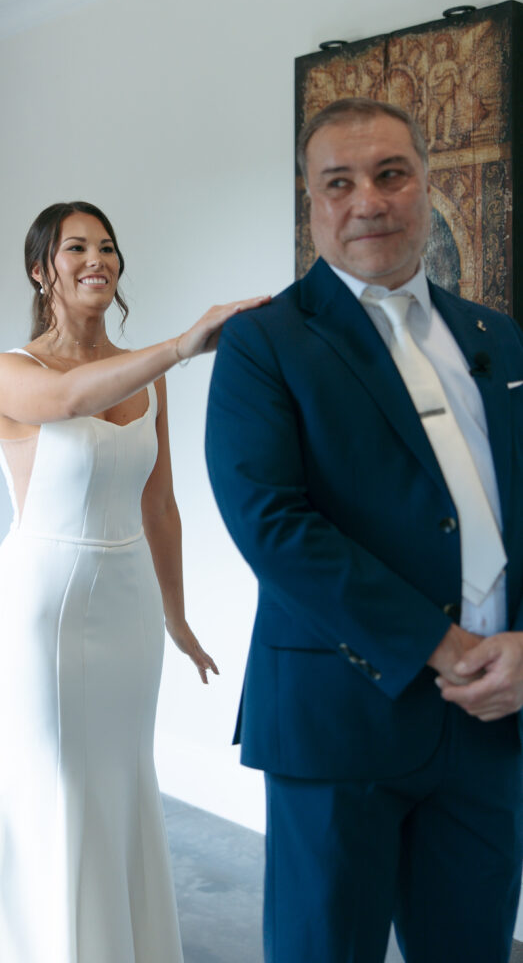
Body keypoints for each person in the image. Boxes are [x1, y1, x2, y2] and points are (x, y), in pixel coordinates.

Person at [0, 200, 268, 963]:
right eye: (76, 248)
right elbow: (73, 400)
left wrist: (176, 615)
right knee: (40, 776)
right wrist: (180, 343)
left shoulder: (149, 382)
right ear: (42, 269)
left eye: (106, 245)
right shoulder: (11, 370)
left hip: (129, 606)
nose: (96, 258)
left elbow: (160, 505)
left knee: (119, 779)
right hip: (39, 609)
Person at [205, 98, 523, 963]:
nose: (367, 201)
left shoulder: (500, 337)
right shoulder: (261, 344)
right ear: (310, 203)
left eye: (390, 174)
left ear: (426, 182)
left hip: (491, 722)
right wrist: (440, 643)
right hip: (337, 718)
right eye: (337, 183)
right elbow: (271, 524)